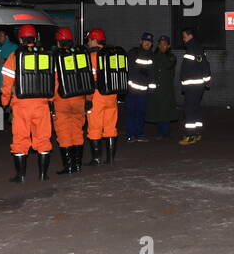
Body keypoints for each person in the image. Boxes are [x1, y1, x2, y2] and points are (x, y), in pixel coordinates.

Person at [0, 24, 55, 184]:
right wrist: (51, 102)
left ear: (21, 39)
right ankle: (43, 175)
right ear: (35, 38)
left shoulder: (14, 56)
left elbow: (7, 82)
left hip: (21, 105)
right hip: (42, 104)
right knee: (43, 138)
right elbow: (52, 80)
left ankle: (21, 176)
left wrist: (4, 102)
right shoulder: (45, 54)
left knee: (20, 139)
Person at [52, 27, 94, 174]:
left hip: (62, 101)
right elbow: (86, 78)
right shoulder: (81, 56)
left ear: (58, 42)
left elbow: (54, 82)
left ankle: (69, 166)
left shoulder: (56, 58)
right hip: (79, 100)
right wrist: (89, 99)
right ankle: (78, 165)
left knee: (64, 133)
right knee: (77, 131)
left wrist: (50, 100)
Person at [85, 27, 122, 166]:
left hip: (96, 96)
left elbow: (88, 80)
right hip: (111, 95)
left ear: (95, 40)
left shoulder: (91, 57)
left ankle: (96, 158)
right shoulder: (112, 55)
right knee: (110, 126)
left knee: (94, 127)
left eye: (89, 40)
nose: (88, 43)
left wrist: (87, 99)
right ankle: (110, 159)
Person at [177, 27, 211, 145]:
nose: (183, 39)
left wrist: (207, 79)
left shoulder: (193, 48)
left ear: (190, 36)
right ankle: (197, 133)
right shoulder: (195, 47)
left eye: (184, 36)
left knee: (189, 110)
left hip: (193, 86)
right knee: (195, 109)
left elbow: (204, 64)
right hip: (196, 86)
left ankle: (190, 136)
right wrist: (206, 81)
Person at [125, 33, 156, 142]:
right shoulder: (133, 53)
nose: (147, 43)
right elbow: (128, 68)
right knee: (131, 113)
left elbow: (152, 74)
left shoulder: (152, 55)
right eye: (145, 41)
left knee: (141, 113)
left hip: (144, 92)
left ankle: (139, 134)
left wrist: (151, 89)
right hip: (132, 91)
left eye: (149, 42)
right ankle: (130, 134)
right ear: (141, 42)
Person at [146, 35, 176, 139]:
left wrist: (159, 55)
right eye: (161, 44)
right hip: (156, 89)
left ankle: (165, 132)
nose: (162, 46)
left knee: (166, 112)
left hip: (166, 90)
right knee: (157, 111)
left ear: (168, 45)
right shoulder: (154, 56)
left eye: (165, 44)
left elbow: (167, 64)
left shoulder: (171, 57)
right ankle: (160, 132)